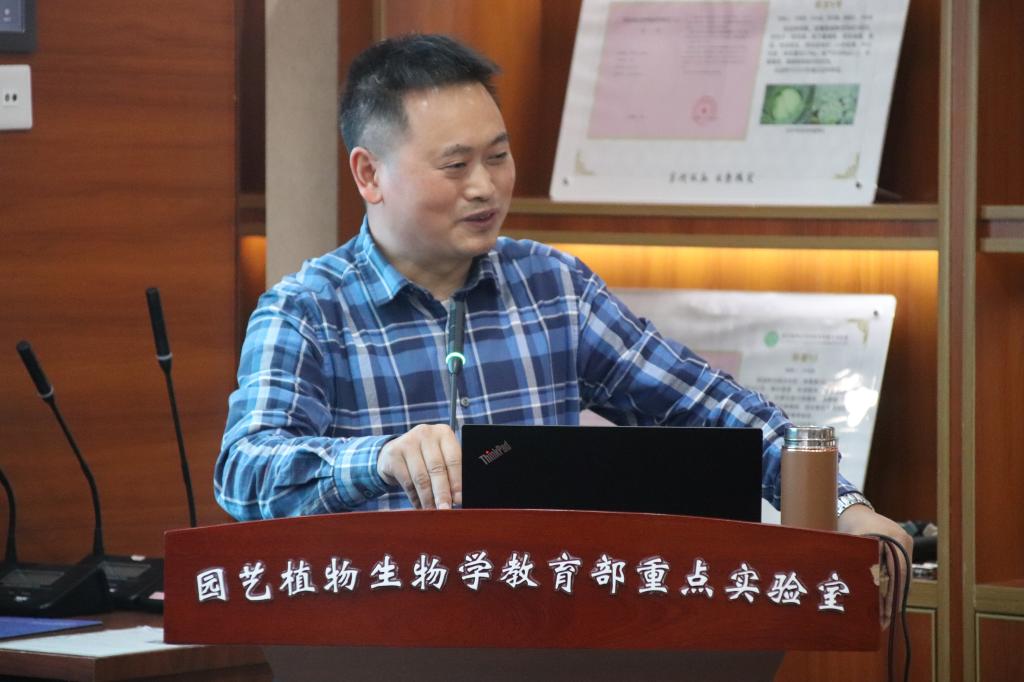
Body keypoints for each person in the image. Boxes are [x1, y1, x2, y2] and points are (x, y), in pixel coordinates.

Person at [214, 34, 911, 563]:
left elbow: (707, 406)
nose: (486, 186)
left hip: (545, 620)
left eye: (498, 156)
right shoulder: (307, 310)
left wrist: (845, 507)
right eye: (456, 165)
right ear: (369, 174)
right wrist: (379, 460)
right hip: (377, 629)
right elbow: (244, 473)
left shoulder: (552, 288)